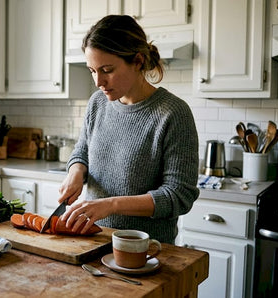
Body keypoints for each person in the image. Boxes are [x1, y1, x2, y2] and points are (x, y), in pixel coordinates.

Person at [58, 15, 199, 244]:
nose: (98, 81)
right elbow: (82, 151)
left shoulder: (173, 113)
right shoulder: (98, 103)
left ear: (138, 61)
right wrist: (76, 173)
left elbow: (178, 196)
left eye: (107, 69)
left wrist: (111, 205)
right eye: (92, 70)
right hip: (94, 241)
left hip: (146, 250)